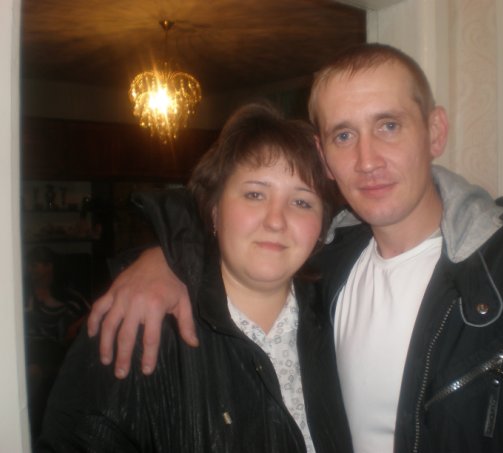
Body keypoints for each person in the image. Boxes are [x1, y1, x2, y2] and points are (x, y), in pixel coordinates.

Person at [88, 44, 503, 452]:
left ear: (435, 131)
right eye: (343, 136)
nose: (367, 160)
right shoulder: (324, 261)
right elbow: (233, 224)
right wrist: (165, 260)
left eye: (388, 126)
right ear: (323, 154)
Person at [38, 103, 352, 452]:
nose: (276, 220)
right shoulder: (136, 325)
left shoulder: (341, 316)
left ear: (322, 227)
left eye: (302, 202)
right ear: (214, 211)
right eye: (255, 194)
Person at [24, 246, 90, 443]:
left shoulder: (67, 296)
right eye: (30, 264)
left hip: (51, 347)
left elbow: (93, 312)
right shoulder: (19, 292)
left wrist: (74, 327)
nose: (31, 269)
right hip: (24, 347)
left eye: (37, 264)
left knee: (34, 369)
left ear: (50, 267)